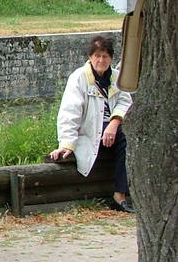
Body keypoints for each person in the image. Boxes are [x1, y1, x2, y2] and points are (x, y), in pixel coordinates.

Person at [48, 35, 133, 212]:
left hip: (112, 129)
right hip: (90, 132)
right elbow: (70, 113)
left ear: (111, 58)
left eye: (105, 57)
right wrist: (67, 143)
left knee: (128, 139)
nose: (101, 60)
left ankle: (120, 195)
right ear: (90, 57)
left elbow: (125, 101)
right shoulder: (78, 78)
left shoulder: (117, 78)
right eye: (97, 56)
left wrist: (114, 122)